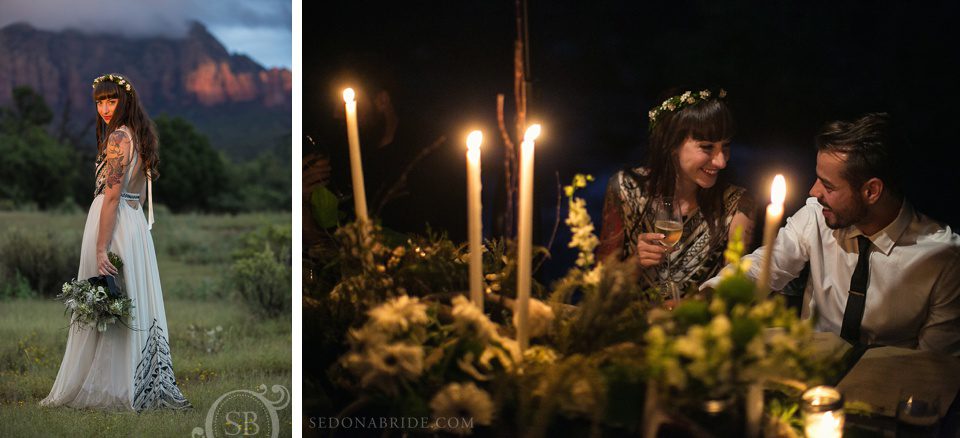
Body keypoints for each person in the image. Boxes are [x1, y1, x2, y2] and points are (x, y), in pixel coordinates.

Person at [702, 113, 960, 355]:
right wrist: (707, 299)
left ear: (871, 191)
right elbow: (763, 267)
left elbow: (934, 364)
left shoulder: (943, 258)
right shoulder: (816, 216)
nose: (814, 192)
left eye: (828, 185)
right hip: (808, 375)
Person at [41, 74, 191, 410]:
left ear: (125, 101)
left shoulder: (118, 138)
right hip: (133, 222)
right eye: (100, 101)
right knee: (124, 298)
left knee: (107, 295)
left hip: (115, 222)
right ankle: (131, 382)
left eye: (111, 100)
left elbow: (111, 197)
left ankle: (116, 387)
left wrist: (99, 246)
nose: (105, 108)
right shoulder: (137, 135)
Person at [596, 89, 756, 298]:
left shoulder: (739, 205)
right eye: (707, 147)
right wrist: (636, 262)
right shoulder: (625, 188)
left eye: (725, 146)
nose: (721, 161)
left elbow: (732, 293)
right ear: (672, 144)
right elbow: (599, 286)